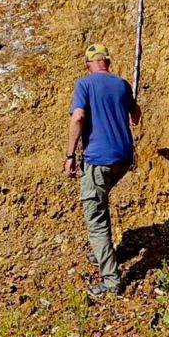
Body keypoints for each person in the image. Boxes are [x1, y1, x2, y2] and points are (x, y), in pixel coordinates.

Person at [63, 41, 141, 297]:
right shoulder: (122, 84)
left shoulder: (84, 84)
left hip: (98, 159)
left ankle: (111, 281)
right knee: (101, 199)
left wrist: (70, 154)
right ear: (107, 61)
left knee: (96, 221)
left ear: (88, 64)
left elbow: (78, 117)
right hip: (123, 159)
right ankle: (103, 252)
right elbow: (136, 114)